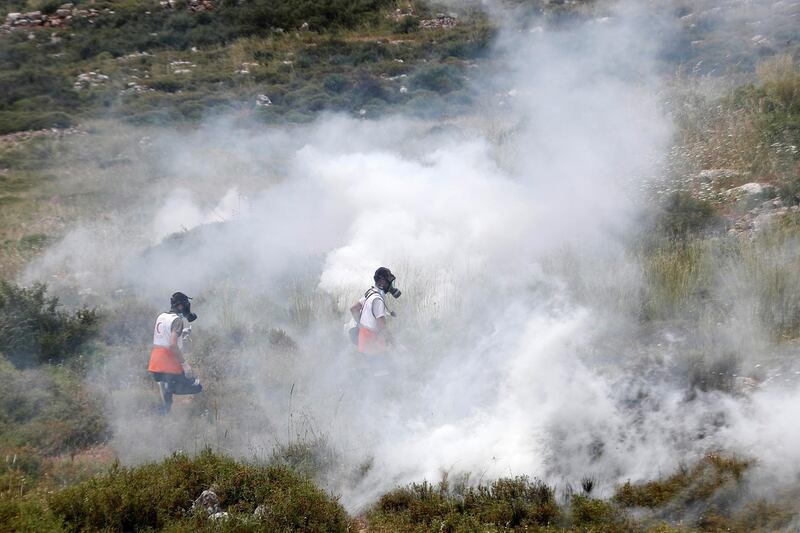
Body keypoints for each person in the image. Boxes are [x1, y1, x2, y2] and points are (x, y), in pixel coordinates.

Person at [148, 292, 202, 414]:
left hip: (155, 365)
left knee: (167, 401)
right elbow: (172, 344)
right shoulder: (177, 320)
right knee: (197, 386)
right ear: (181, 306)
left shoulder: (161, 317)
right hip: (169, 365)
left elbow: (164, 338)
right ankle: (170, 388)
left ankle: (163, 411)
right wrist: (185, 364)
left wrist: (181, 334)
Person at [350, 267, 401, 355]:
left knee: (368, 365)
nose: (390, 285)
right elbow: (382, 327)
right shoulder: (377, 300)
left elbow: (353, 308)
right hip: (372, 345)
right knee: (383, 366)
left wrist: (361, 325)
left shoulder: (371, 292)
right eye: (388, 281)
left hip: (363, 341)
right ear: (381, 281)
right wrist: (396, 345)